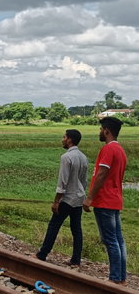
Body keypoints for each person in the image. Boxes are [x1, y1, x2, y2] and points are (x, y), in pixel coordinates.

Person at [32, 129, 88, 266]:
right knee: (76, 229)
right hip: (79, 198)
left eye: (64, 137)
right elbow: (84, 180)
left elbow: (62, 182)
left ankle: (42, 254)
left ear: (69, 140)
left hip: (68, 198)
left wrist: (56, 201)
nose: (62, 139)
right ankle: (76, 260)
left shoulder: (66, 157)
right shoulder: (83, 157)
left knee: (53, 225)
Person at [83, 116, 127, 286]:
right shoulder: (120, 150)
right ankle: (121, 277)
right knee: (118, 239)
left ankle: (115, 278)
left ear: (106, 131)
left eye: (101, 129)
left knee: (110, 240)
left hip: (104, 201)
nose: (100, 132)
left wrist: (89, 198)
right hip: (115, 200)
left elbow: (101, 174)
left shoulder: (108, 150)